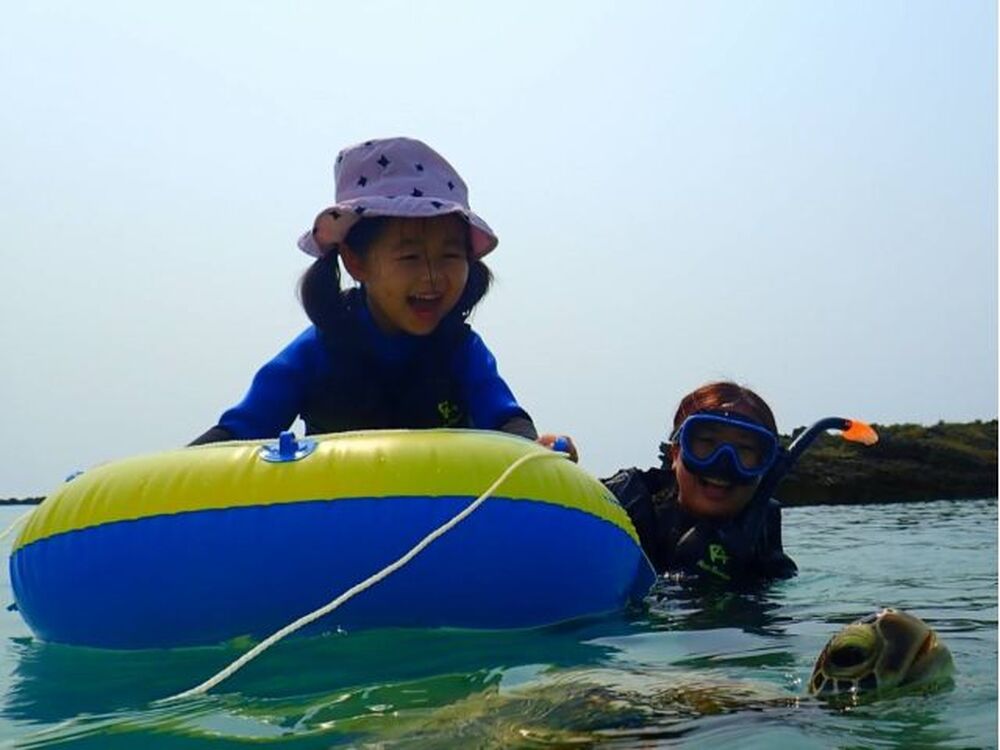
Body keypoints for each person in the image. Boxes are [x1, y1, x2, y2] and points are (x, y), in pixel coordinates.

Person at [191, 137, 572, 454]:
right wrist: (171, 472)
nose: (432, 276)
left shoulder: (461, 350)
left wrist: (536, 449)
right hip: (340, 516)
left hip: (447, 515)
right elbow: (241, 430)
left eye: (450, 256)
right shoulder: (318, 351)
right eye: (409, 257)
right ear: (356, 262)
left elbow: (504, 419)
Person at [603, 381, 797, 583]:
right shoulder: (627, 503)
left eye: (745, 448)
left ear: (765, 467)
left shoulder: (764, 548)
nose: (723, 464)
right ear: (675, 453)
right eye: (706, 441)